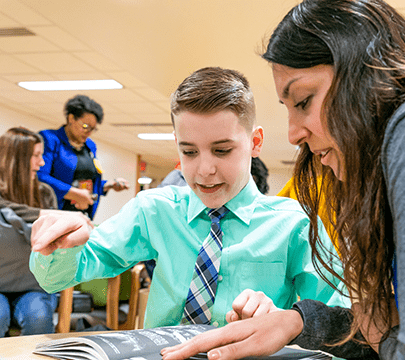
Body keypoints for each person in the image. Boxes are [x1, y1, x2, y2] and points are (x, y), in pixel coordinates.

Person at [159, 1, 405, 359]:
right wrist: (300, 321)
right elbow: (399, 327)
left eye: (304, 100)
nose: (293, 134)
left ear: (365, 73)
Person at [30, 67, 349, 329]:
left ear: (255, 142)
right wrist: (57, 243)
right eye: (189, 151)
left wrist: (288, 320)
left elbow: (339, 320)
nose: (204, 170)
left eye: (222, 150)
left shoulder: (295, 224)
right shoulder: (154, 210)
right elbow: (57, 277)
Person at [0, 127, 63, 337]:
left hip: (34, 286)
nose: (42, 163)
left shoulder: (45, 193)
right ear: (16, 158)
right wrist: (43, 214)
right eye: (36, 156)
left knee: (38, 318)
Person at [37, 94, 129, 220]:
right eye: (85, 126)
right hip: (54, 214)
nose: (89, 132)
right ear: (71, 118)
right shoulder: (50, 139)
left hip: (82, 216)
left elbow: (85, 181)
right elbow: (40, 177)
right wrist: (73, 193)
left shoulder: (90, 146)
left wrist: (108, 185)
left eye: (93, 129)